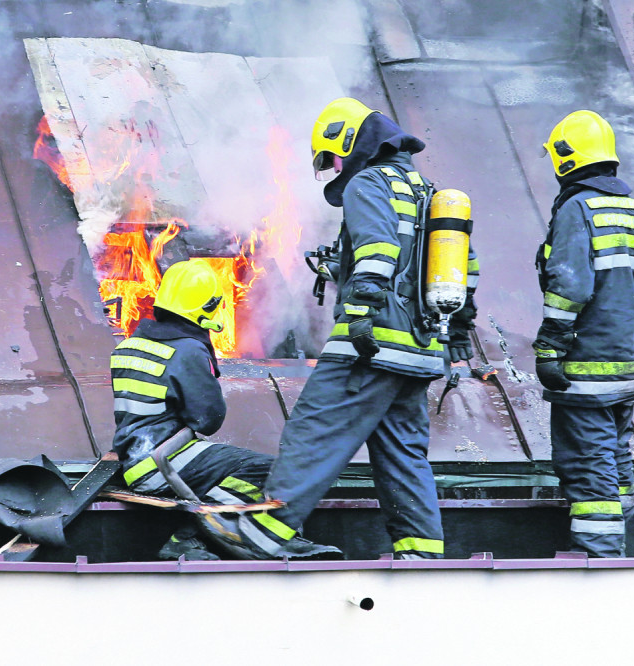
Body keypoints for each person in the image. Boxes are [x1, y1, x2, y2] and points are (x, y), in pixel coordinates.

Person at [204, 97, 479, 560]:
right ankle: (422, 551)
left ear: (349, 142)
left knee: (314, 429)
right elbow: (463, 272)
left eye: (330, 157)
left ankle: (268, 529)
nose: (332, 168)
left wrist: (359, 314)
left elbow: (378, 249)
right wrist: (453, 341)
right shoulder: (428, 191)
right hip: (420, 351)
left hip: (372, 344)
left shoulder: (368, 181)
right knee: (402, 452)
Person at [110, 258, 336, 560]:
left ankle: (194, 544)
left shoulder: (128, 346)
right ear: (205, 308)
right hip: (163, 463)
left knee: (230, 468)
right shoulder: (186, 349)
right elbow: (208, 418)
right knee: (269, 469)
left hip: (134, 461)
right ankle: (195, 535)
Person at [534, 110, 634, 557]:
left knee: (587, 465)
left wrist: (550, 347)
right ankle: (622, 534)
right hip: (629, 368)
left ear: (565, 159)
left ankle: (603, 561)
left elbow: (569, 285)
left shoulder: (578, 209)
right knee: (615, 455)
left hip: (586, 371)